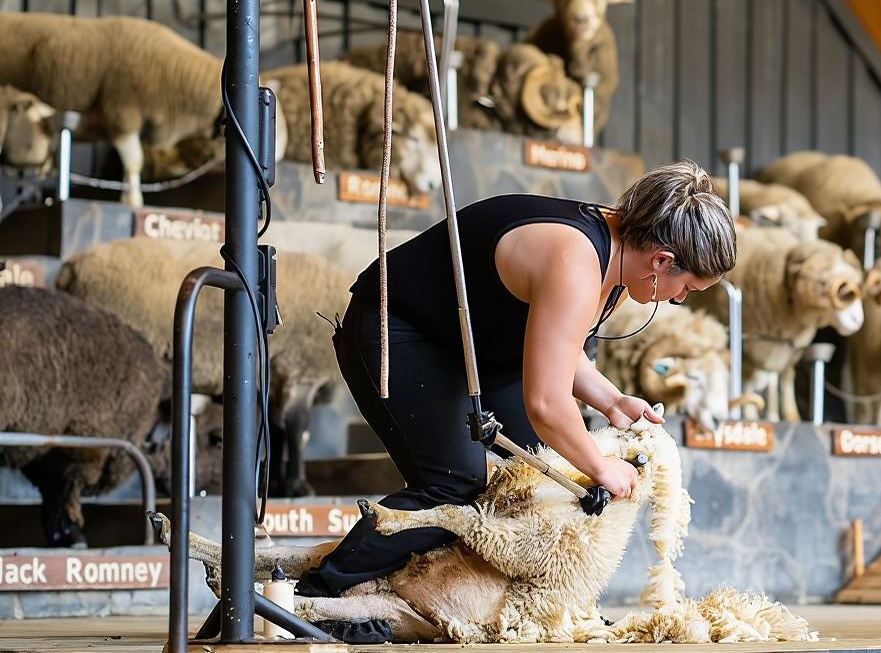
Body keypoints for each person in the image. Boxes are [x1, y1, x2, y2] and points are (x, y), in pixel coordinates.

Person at [296, 160, 737, 615]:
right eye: (687, 287)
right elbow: (546, 403)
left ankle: (507, 604)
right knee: (456, 483)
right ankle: (315, 596)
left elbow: (558, 349)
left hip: (473, 348)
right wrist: (601, 467)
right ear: (661, 261)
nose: (680, 298)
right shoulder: (576, 260)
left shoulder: (619, 255)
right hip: (398, 330)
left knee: (543, 481)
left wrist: (612, 400)